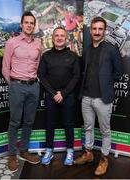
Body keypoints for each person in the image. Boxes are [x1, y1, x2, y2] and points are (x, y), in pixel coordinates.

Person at [74, 17, 123, 176]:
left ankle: (104, 158)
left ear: (104, 30)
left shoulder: (111, 49)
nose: (96, 32)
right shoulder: (87, 49)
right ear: (90, 30)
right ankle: (88, 153)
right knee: (88, 127)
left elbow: (119, 72)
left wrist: (106, 83)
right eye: (94, 29)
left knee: (105, 130)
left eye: (100, 29)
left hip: (103, 98)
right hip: (86, 97)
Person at [2, 11, 42, 172]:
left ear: (34, 25)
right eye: (26, 22)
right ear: (21, 24)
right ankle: (12, 154)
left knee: (29, 121)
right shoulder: (11, 42)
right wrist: (13, 84)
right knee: (15, 121)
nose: (29, 25)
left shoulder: (38, 44)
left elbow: (39, 65)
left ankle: (23, 151)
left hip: (33, 86)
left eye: (32, 23)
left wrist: (36, 81)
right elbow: (5, 67)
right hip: (17, 86)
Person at [38, 26, 80, 166]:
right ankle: (49, 150)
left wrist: (63, 93)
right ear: (53, 37)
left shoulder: (73, 55)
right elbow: (41, 75)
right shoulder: (46, 55)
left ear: (66, 38)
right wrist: (53, 93)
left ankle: (70, 151)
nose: (59, 38)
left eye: (62, 35)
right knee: (49, 124)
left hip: (67, 96)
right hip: (51, 96)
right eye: (57, 35)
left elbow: (76, 76)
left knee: (69, 124)